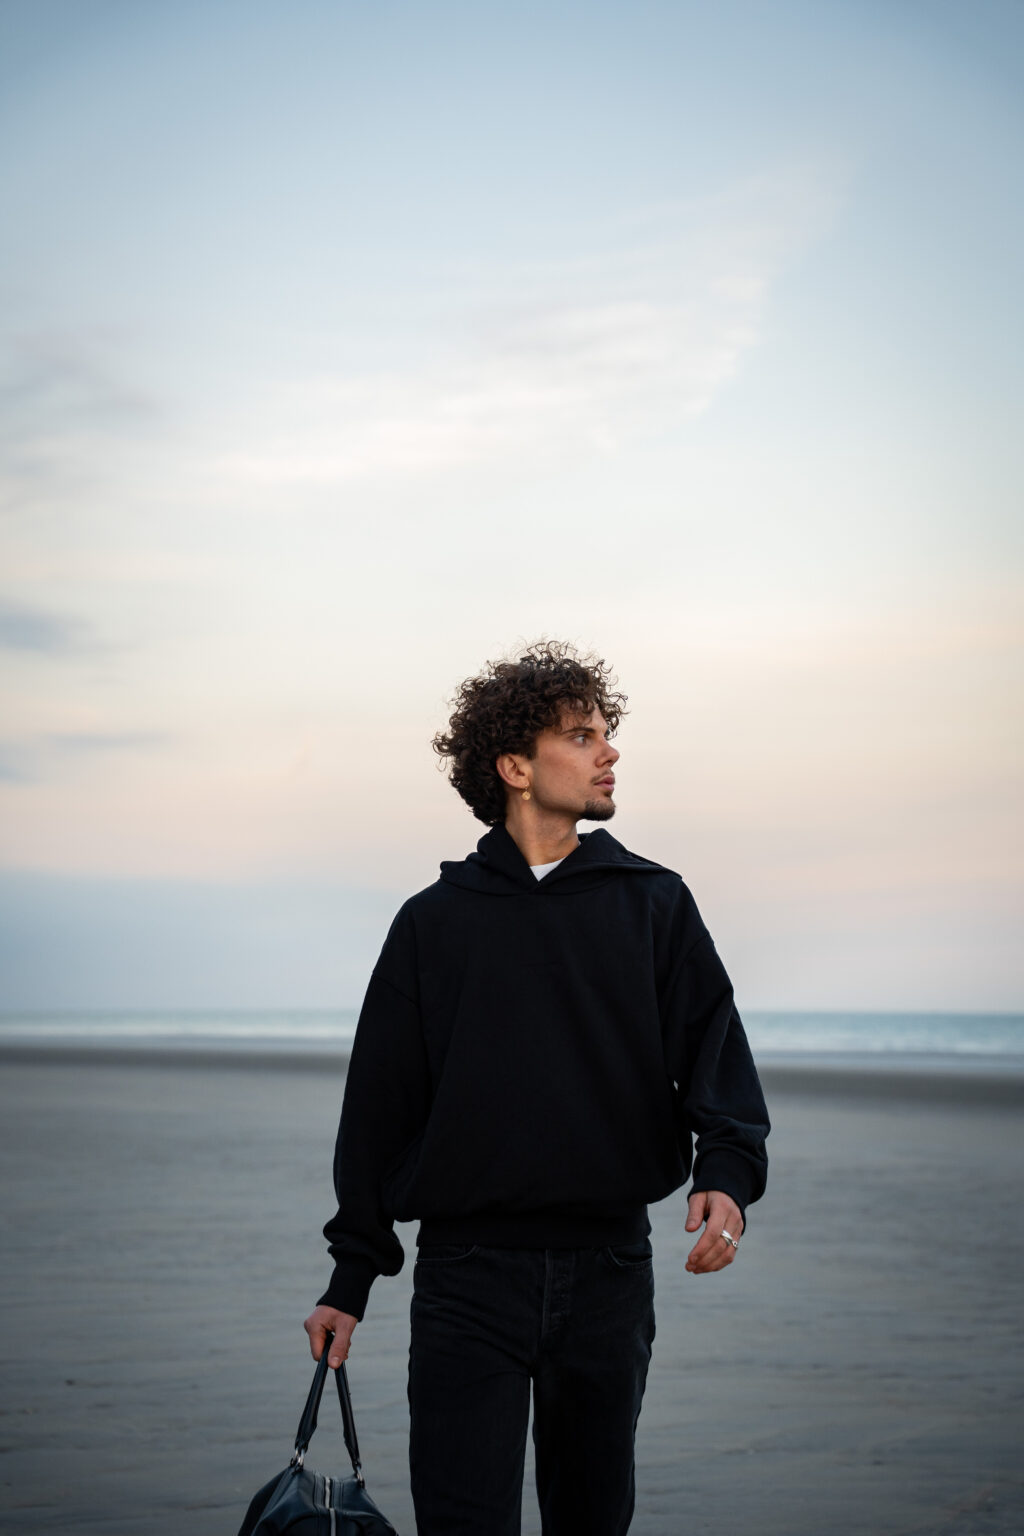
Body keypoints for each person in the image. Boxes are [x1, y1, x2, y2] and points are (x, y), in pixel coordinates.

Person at [305, 640, 770, 1536]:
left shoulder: (653, 903)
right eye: (582, 734)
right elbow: (377, 1110)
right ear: (515, 766)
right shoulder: (432, 925)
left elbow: (714, 1048)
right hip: (465, 1280)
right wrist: (351, 1274)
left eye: (608, 732)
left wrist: (729, 1173)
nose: (609, 751)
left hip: (608, 1275)